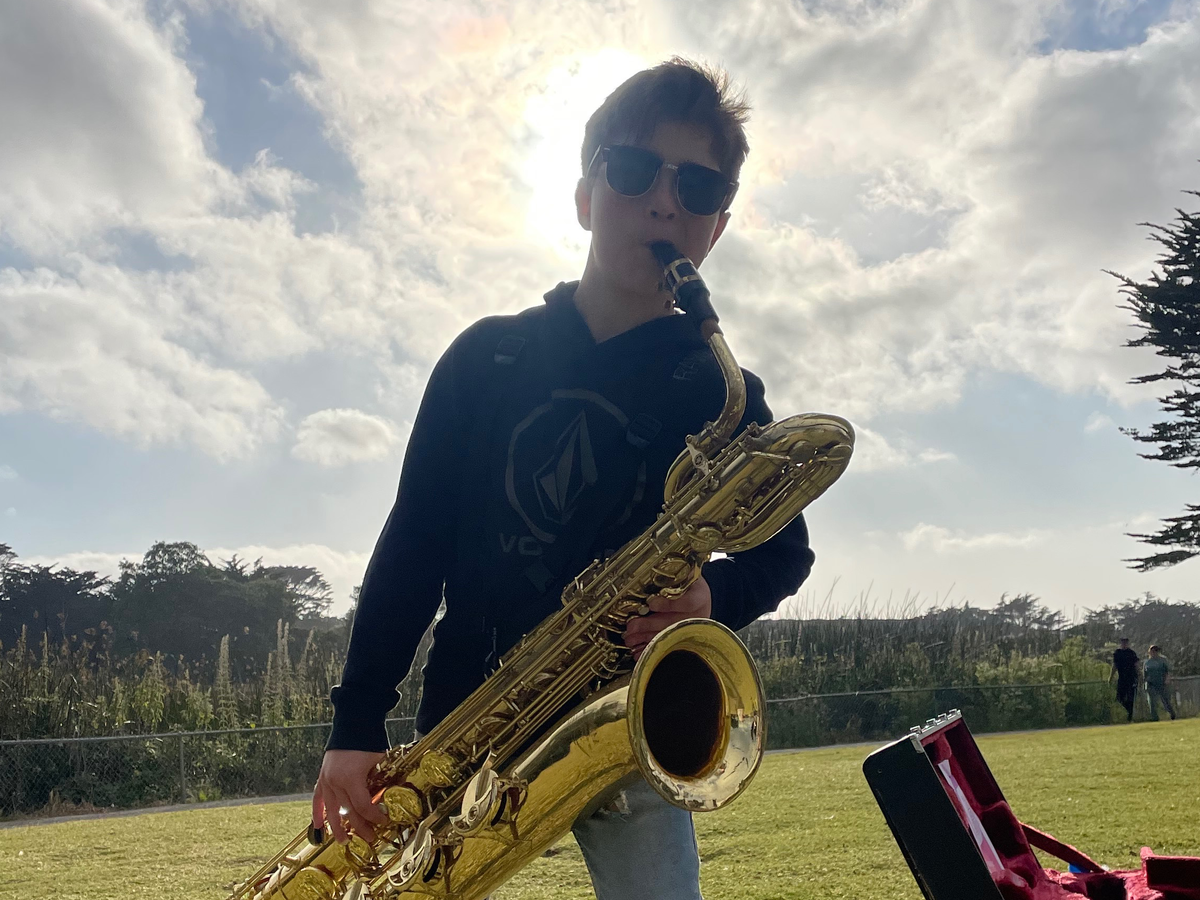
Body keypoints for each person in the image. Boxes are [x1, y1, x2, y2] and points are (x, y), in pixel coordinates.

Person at [311, 58, 817, 900]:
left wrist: (709, 599)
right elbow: (414, 542)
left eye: (697, 187)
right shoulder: (485, 357)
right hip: (470, 717)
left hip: (631, 723)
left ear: (717, 228)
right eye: (635, 170)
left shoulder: (720, 389)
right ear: (585, 196)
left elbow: (785, 555)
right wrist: (356, 722)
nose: (664, 202)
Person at [1109, 637, 1139, 722]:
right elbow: (1114, 666)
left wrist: (1140, 676)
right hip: (1122, 678)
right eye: (1123, 642)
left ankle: (1130, 716)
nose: (1124, 644)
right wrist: (1111, 677)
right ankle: (1128, 709)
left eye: (1125, 643)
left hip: (1131, 678)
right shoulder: (1117, 653)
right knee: (1119, 697)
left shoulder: (1132, 653)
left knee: (1130, 697)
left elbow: (1136, 665)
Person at [1143, 645, 1177, 721]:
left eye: (1155, 651)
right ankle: (1155, 718)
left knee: (1165, 700)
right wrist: (1145, 683)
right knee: (1152, 702)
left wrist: (1167, 679)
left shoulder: (1163, 660)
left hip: (1161, 683)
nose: (1154, 652)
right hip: (1151, 684)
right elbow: (1145, 674)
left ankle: (1172, 714)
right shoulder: (1147, 662)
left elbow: (1168, 670)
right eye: (1152, 651)